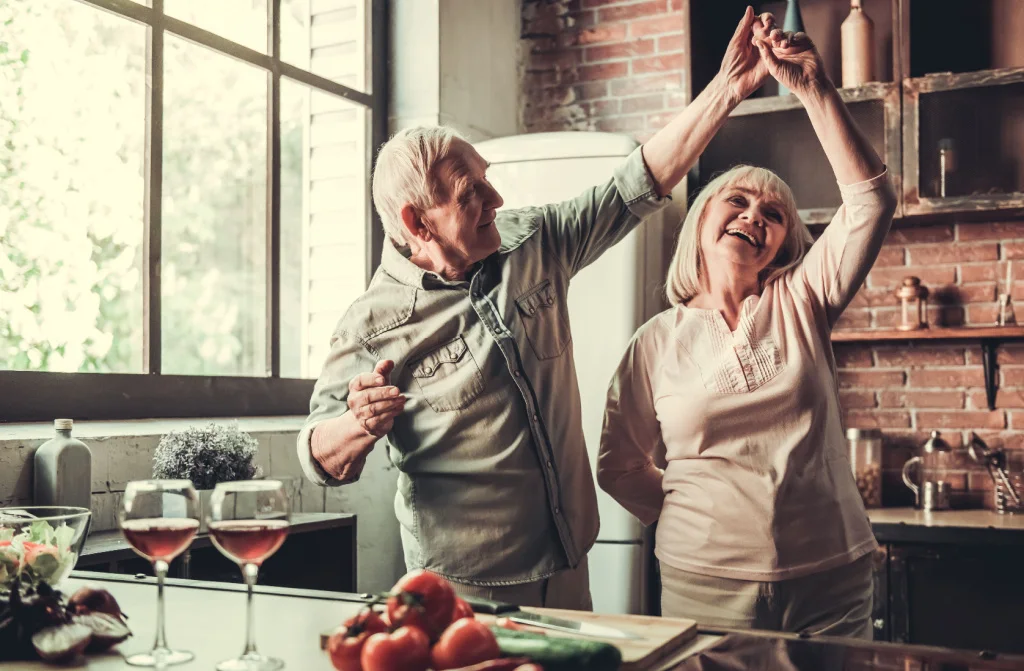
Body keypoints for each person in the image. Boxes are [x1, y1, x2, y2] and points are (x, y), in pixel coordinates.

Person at [298, 7, 778, 609]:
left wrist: (727, 89)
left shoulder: (533, 242)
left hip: (571, 556)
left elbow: (637, 181)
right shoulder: (371, 325)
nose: (497, 199)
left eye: (487, 179)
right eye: (473, 193)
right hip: (465, 586)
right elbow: (320, 459)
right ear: (417, 223)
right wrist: (356, 424)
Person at [597, 17, 897, 636]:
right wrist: (700, 519)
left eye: (774, 214)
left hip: (830, 580)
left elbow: (870, 201)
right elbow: (619, 467)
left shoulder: (803, 299)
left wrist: (813, 88)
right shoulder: (654, 341)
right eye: (737, 200)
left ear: (785, 242)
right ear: (702, 220)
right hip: (701, 585)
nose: (755, 214)